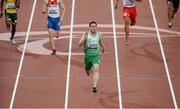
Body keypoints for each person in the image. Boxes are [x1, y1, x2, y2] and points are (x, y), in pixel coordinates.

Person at [78, 21, 105, 93]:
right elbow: (79, 44)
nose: (93, 27)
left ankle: (94, 86)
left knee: (96, 69)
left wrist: (103, 47)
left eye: (94, 26)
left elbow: (101, 42)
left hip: (96, 55)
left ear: (96, 27)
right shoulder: (86, 34)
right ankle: (88, 70)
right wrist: (84, 38)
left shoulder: (99, 34)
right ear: (89, 27)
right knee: (87, 70)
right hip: (87, 56)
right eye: (92, 26)